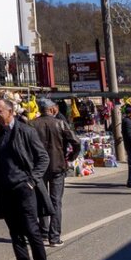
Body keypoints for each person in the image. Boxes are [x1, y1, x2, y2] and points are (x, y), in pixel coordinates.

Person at [0, 98, 50, 260]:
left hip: (24, 190)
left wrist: (31, 181)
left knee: (32, 232)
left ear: (10, 111)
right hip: (5, 193)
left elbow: (43, 158)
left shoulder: (25, 131)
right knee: (16, 237)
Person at [29, 99, 79, 248]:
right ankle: (54, 236)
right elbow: (76, 142)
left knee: (42, 200)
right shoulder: (60, 123)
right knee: (56, 201)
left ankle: (44, 232)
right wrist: (72, 156)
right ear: (51, 109)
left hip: (39, 168)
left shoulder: (32, 124)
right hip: (57, 166)